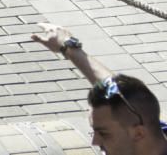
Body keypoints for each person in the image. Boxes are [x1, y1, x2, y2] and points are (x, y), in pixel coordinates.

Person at [32, 23, 167, 155]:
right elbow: (117, 90)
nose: (95, 142)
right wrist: (68, 46)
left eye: (104, 133)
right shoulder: (148, 126)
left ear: (139, 133)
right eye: (95, 132)